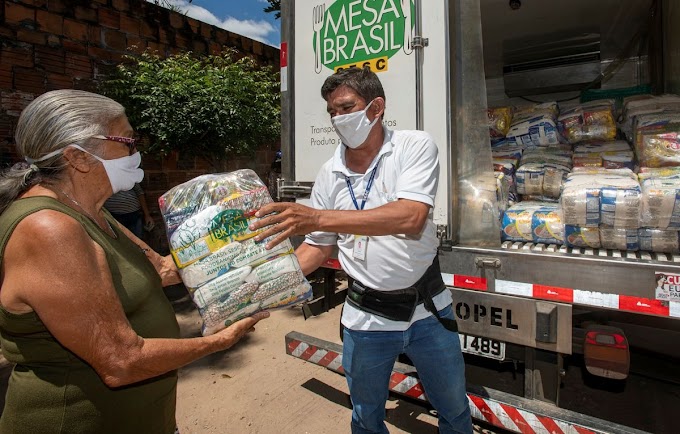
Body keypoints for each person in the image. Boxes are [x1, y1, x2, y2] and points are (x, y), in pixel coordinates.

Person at [0, 89, 269, 434]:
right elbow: (121, 362)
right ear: (77, 157)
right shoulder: (49, 228)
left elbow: (161, 270)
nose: (136, 152)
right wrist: (220, 341)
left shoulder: (90, 211)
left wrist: (238, 239)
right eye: (127, 141)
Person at [251, 67, 472, 434]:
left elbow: (411, 217)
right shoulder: (328, 174)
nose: (338, 119)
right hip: (366, 321)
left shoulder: (413, 146)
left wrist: (318, 216)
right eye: (332, 112)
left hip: (428, 313)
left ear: (376, 107)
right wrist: (263, 288)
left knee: (453, 411)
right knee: (366, 418)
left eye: (346, 107)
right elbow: (316, 250)